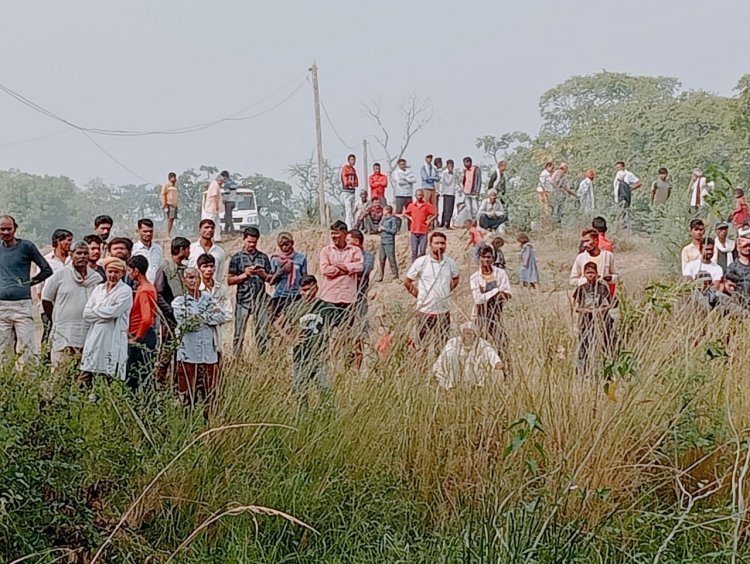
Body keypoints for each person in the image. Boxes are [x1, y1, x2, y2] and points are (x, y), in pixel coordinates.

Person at [274, 275, 333, 406]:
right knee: (300, 394)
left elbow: (342, 326)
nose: (305, 293)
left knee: (326, 391)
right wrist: (291, 339)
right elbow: (277, 324)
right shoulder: (295, 306)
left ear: (316, 287)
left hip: (319, 357)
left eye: (308, 289)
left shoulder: (324, 307)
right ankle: (302, 420)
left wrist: (333, 348)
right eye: (303, 290)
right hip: (300, 357)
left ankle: (327, 418)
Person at [172, 267, 227, 408]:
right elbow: (185, 322)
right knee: (187, 392)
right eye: (189, 277)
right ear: (184, 281)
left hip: (209, 353)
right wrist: (207, 317)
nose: (193, 280)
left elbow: (221, 316)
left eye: (195, 277)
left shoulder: (209, 298)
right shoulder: (179, 301)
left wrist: (199, 317)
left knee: (210, 390)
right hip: (188, 353)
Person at [0, 215, 52, 363]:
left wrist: (29, 283)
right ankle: (6, 381)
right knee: (3, 349)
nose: (5, 232)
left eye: (8, 229)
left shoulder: (26, 246)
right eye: (2, 229)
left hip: (21, 304)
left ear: (15, 229)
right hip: (1, 305)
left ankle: (30, 380)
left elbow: (46, 269)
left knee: (27, 346)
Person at [41, 242, 102, 368]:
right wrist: (55, 318)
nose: (82, 256)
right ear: (71, 254)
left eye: (85, 253)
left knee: (82, 375)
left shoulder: (96, 278)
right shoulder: (60, 275)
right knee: (60, 372)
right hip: (63, 332)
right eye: (78, 253)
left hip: (87, 331)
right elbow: (46, 299)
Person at [79, 257, 133, 385]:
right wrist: (104, 312)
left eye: (116, 272)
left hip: (113, 338)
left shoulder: (125, 291)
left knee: (109, 376)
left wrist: (96, 309)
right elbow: (86, 313)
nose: (112, 275)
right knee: (87, 374)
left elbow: (114, 312)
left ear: (122, 273)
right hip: (95, 337)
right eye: (110, 271)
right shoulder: (98, 289)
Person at [404, 231, 460, 348]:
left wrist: (445, 292)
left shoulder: (450, 262)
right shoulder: (421, 262)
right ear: (430, 244)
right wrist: (420, 296)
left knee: (441, 346)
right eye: (437, 243)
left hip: (443, 311)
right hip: (425, 311)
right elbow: (408, 282)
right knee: (421, 346)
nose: (440, 246)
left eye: (442, 243)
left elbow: (455, 278)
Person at [228, 227, 271, 356]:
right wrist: (245, 275)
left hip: (261, 299)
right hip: (243, 300)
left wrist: (263, 274)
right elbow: (230, 280)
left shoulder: (263, 257)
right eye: (249, 241)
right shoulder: (236, 258)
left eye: (254, 242)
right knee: (239, 334)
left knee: (262, 333)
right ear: (244, 239)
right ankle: (237, 360)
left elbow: (271, 279)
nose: (252, 244)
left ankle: (263, 359)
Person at [154, 236, 190, 386]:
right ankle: (159, 382)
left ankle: (177, 385)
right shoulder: (166, 268)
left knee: (180, 353)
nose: (189, 252)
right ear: (181, 250)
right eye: (187, 249)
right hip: (170, 319)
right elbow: (158, 293)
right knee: (167, 352)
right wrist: (170, 312)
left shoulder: (183, 270)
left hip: (182, 318)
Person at [319, 220, 364, 327]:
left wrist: (337, 265)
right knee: (328, 329)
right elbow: (325, 270)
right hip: (329, 297)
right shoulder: (326, 251)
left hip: (348, 297)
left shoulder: (355, 250)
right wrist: (347, 268)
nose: (334, 236)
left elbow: (359, 266)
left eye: (337, 233)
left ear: (345, 234)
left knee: (346, 330)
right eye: (332, 234)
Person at [572, 262, 613, 378]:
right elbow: (575, 306)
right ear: (584, 274)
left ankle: (598, 370)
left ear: (597, 274)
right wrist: (585, 310)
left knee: (598, 345)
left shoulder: (602, 288)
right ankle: (582, 371)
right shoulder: (581, 288)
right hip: (584, 322)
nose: (590, 275)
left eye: (592, 273)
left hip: (599, 322)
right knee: (583, 346)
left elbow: (610, 304)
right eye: (588, 273)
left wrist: (600, 310)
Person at [433, 322, 503, 390]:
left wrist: (496, 362)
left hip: (473, 376)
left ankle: (473, 388)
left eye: (470, 334)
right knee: (450, 354)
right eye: (466, 333)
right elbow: (443, 356)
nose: (467, 336)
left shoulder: (481, 343)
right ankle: (452, 386)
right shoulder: (454, 342)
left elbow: (489, 352)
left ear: (475, 335)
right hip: (454, 373)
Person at [470, 246, 512, 359]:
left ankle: (506, 371)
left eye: (489, 257)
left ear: (493, 259)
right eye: (483, 257)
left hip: (496, 315)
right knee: (478, 345)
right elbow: (478, 299)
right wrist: (496, 291)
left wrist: (487, 293)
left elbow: (507, 293)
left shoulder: (501, 273)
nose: (486, 260)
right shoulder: (475, 277)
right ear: (479, 258)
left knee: (502, 343)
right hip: (480, 315)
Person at [38, 229, 73, 352]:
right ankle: (45, 362)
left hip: (68, 306)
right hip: (49, 305)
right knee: (49, 332)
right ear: (58, 241)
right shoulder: (46, 260)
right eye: (67, 240)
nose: (70, 244)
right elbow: (40, 286)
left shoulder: (73, 260)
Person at [126, 255, 158, 389]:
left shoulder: (145, 290)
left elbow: (146, 319)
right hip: (142, 334)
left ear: (136, 271)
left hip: (142, 336)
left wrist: (137, 337)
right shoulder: (143, 288)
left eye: (129, 270)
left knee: (139, 376)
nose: (128, 273)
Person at [348, 229, 374, 370]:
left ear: (357, 242)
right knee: (344, 333)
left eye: (349, 242)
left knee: (360, 335)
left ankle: (357, 368)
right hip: (345, 299)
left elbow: (365, 269)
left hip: (360, 299)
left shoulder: (367, 256)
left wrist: (347, 268)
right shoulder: (346, 255)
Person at [197, 253, 233, 353]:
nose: (209, 269)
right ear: (199, 268)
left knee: (219, 354)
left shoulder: (221, 289)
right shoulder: (197, 290)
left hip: (220, 330)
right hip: (202, 330)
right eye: (205, 266)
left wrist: (217, 318)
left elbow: (228, 312)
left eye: (211, 266)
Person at [269, 232, 308, 319]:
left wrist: (305, 293)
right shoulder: (275, 259)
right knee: (277, 323)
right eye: (281, 245)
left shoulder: (301, 258)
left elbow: (305, 277)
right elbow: (271, 281)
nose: (284, 248)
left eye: (287, 244)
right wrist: (282, 270)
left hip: (296, 295)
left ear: (292, 243)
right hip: (280, 295)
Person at [403, 188, 438, 262]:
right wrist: (410, 218)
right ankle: (414, 268)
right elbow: (405, 213)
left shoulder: (427, 205)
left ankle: (422, 267)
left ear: (423, 195)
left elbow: (435, 214)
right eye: (418, 195)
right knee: (414, 251)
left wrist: (429, 220)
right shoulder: (411, 205)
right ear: (415, 196)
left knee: (422, 251)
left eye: (421, 195)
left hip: (423, 231)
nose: (419, 196)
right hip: (414, 230)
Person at [132, 218, 163, 284]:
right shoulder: (134, 249)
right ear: (139, 231)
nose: (148, 234)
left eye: (150, 231)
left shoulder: (158, 249)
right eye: (145, 231)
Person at [727, 227, 750, 308]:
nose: (748, 248)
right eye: (745, 246)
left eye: (749, 246)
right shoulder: (733, 267)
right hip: (741, 304)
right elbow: (730, 285)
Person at [613, 161, 641, 230]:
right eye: (617, 168)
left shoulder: (628, 174)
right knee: (619, 213)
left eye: (619, 167)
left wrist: (630, 189)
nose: (618, 169)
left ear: (623, 167)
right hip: (617, 198)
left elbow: (638, 182)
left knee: (623, 213)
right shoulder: (618, 175)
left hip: (624, 198)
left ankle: (622, 229)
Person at [391, 158, 417, 230]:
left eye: (404, 164)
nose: (402, 166)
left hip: (408, 195)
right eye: (401, 164)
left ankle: (410, 228)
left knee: (409, 212)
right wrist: (408, 180)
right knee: (399, 212)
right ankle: (397, 228)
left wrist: (405, 179)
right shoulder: (396, 172)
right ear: (398, 165)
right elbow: (399, 182)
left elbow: (414, 180)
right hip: (400, 195)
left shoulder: (410, 172)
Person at [377, 205, 400, 281]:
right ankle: (381, 276)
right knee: (381, 259)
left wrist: (385, 229)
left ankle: (395, 275)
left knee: (391, 259)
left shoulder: (393, 219)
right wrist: (379, 228)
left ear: (387, 211)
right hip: (382, 241)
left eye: (384, 210)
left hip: (389, 242)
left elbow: (394, 231)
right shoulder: (383, 219)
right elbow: (379, 225)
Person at [202, 172, 225, 242]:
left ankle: (217, 237)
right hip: (212, 209)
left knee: (216, 223)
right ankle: (211, 237)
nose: (222, 184)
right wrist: (216, 206)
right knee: (211, 224)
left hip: (213, 209)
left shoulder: (215, 185)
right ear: (219, 180)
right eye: (222, 182)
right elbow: (214, 196)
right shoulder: (215, 185)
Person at [340, 154, 359, 229]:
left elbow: (357, 182)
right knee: (348, 212)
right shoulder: (345, 169)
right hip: (346, 192)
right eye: (351, 160)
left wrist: (354, 184)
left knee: (352, 211)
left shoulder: (354, 170)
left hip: (352, 193)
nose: (353, 161)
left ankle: (352, 226)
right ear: (348, 160)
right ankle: (348, 228)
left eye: (354, 160)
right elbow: (345, 181)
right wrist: (350, 183)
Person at [439, 159, 457, 228]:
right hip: (447, 192)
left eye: (452, 165)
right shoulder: (445, 173)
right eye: (449, 165)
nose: (451, 166)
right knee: (446, 209)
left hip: (452, 192)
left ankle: (448, 223)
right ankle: (444, 223)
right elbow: (447, 182)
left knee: (451, 209)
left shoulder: (454, 172)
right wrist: (450, 173)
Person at [160, 172, 179, 237]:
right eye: (173, 177)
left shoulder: (175, 186)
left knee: (172, 219)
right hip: (169, 204)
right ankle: (167, 234)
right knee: (169, 219)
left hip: (174, 205)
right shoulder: (166, 185)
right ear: (170, 178)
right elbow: (163, 195)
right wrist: (164, 204)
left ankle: (169, 233)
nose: (175, 179)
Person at [221, 171, 236, 236]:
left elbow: (227, 193)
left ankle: (232, 231)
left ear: (225, 177)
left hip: (229, 202)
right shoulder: (233, 183)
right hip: (233, 201)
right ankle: (226, 230)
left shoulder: (227, 184)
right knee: (227, 215)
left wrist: (223, 200)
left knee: (228, 217)